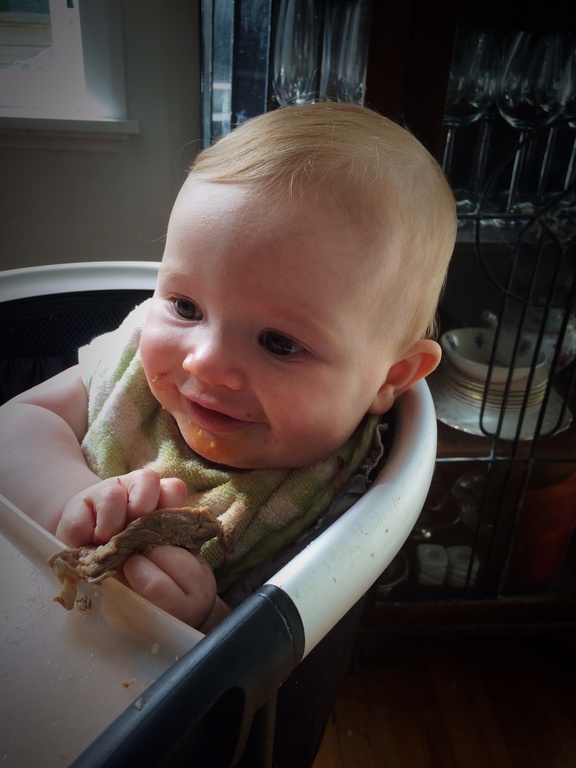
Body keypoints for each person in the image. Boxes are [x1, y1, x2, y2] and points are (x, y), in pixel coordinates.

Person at [0, 102, 456, 632]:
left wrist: (203, 618)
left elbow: (274, 658)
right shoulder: (137, 362)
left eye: (279, 343)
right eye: (186, 307)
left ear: (390, 377)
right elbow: (15, 427)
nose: (205, 363)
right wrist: (68, 500)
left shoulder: (340, 502)